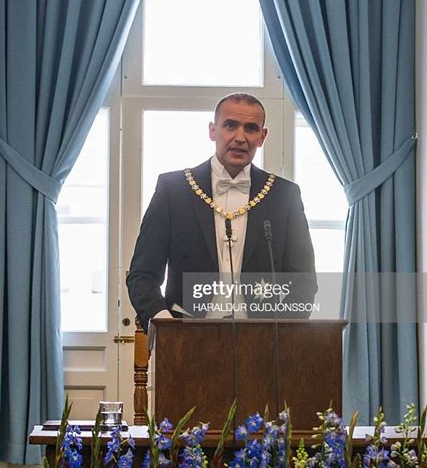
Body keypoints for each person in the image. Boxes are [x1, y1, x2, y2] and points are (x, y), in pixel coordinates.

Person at [127, 93, 317, 329]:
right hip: (186, 343)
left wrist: (282, 333)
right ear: (212, 131)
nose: (240, 137)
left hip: (264, 347)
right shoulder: (173, 190)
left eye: (251, 128)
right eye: (230, 125)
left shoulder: (284, 195)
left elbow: (303, 281)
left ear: (262, 136)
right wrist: (167, 328)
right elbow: (142, 275)